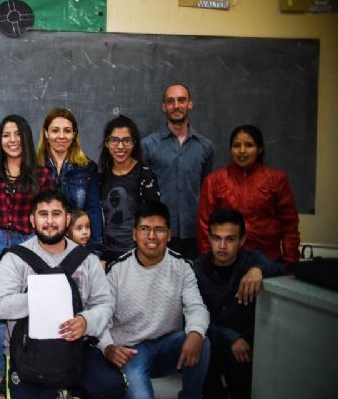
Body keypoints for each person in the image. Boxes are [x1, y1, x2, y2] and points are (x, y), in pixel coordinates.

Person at [0, 189, 124, 399]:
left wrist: (86, 321)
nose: (50, 221)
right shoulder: (15, 258)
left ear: (67, 219)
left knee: (112, 388)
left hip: (76, 349)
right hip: (29, 355)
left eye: (56, 214)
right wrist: (44, 295)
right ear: (32, 220)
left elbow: (105, 304)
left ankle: (76, 390)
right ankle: (47, 389)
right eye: (43, 214)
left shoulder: (87, 259)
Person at [100, 201, 210, 399]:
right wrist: (108, 346)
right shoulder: (118, 269)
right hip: (131, 350)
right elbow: (101, 315)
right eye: (144, 229)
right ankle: (129, 383)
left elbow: (197, 307)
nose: (151, 236)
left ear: (169, 235)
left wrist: (195, 333)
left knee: (202, 340)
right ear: (134, 234)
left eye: (159, 230)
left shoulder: (182, 266)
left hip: (167, 346)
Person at [0, 114, 53, 399]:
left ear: (26, 137)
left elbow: (48, 216)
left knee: (30, 310)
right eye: (6, 135)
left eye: (17, 134)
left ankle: (35, 375)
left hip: (28, 245)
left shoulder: (42, 175)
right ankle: (8, 377)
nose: (12, 140)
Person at [193, 208, 287, 399]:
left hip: (245, 349)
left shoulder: (251, 260)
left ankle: (238, 392)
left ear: (242, 240)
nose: (222, 246)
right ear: (209, 238)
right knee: (197, 340)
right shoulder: (197, 269)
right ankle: (212, 396)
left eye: (230, 239)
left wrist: (258, 270)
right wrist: (230, 337)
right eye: (216, 238)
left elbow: (283, 271)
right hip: (214, 341)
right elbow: (189, 317)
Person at [197, 124, 300, 267]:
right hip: (226, 261)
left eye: (249, 145)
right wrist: (209, 263)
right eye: (236, 145)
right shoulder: (214, 181)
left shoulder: (276, 179)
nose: (242, 151)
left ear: (260, 149)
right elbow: (204, 225)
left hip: (267, 259)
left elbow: (290, 224)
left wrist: (290, 262)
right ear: (230, 149)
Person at [142, 84, 214, 260]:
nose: (176, 106)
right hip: (159, 234)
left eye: (181, 100)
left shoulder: (205, 147)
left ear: (190, 104)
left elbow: (206, 190)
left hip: (194, 233)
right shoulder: (148, 146)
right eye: (170, 101)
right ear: (164, 106)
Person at [36, 107, 103, 254]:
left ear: (74, 134)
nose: (61, 136)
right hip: (41, 247)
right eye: (55, 131)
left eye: (67, 131)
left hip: (77, 249)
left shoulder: (87, 168)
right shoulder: (33, 167)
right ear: (46, 133)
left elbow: (94, 211)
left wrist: (94, 251)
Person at [98, 115, 160, 263]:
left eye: (126, 140)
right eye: (114, 140)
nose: (120, 146)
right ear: (107, 143)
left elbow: (153, 220)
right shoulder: (101, 177)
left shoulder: (145, 175)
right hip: (105, 256)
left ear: (134, 143)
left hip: (137, 255)